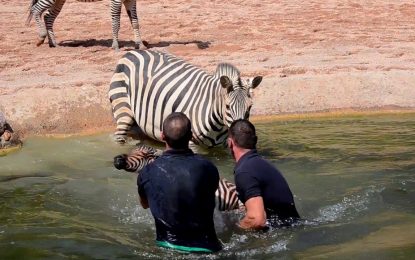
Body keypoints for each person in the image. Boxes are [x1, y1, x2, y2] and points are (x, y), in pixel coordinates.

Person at [137, 112, 222, 253]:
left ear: (162, 136)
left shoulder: (147, 172)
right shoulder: (208, 167)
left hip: (167, 249)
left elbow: (145, 204)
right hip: (208, 249)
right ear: (190, 136)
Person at [227, 119, 300, 230]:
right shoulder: (263, 164)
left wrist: (233, 228)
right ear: (255, 140)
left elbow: (257, 220)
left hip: (280, 234)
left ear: (230, 143)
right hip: (294, 227)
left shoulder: (244, 172)